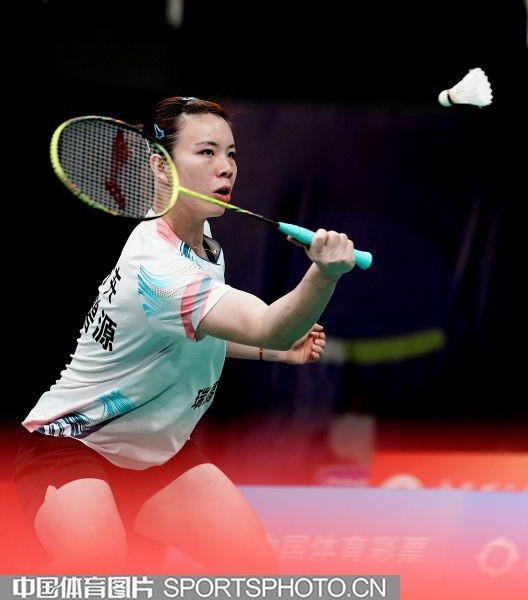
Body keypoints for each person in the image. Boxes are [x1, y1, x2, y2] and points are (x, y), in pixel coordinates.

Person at [15, 96, 354, 573]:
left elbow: (195, 333)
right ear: (160, 166)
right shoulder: (158, 267)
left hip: (155, 454)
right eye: (206, 152)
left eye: (231, 154)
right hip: (74, 442)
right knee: (94, 560)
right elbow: (270, 327)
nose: (226, 167)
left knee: (254, 568)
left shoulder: (205, 246)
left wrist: (270, 353)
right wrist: (324, 274)